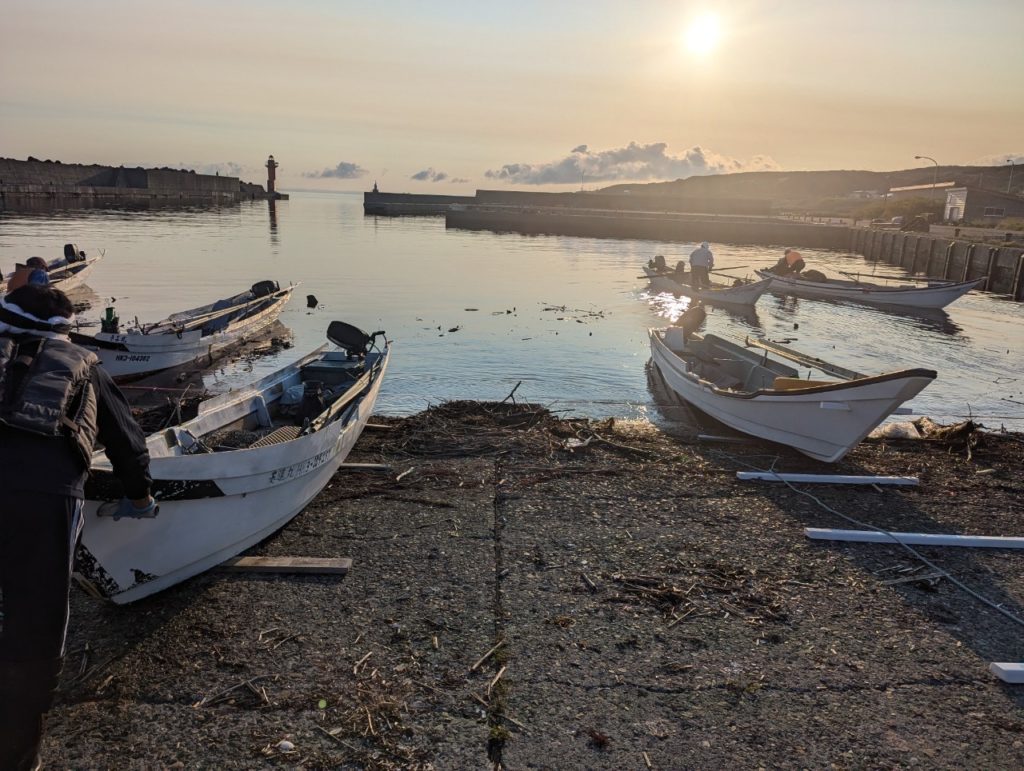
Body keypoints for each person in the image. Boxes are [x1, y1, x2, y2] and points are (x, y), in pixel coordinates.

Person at [0, 284, 154, 770]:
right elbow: (125, 440)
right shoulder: (84, 365)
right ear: (66, 328)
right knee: (38, 623)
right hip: (45, 496)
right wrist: (139, 495)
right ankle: (17, 754)